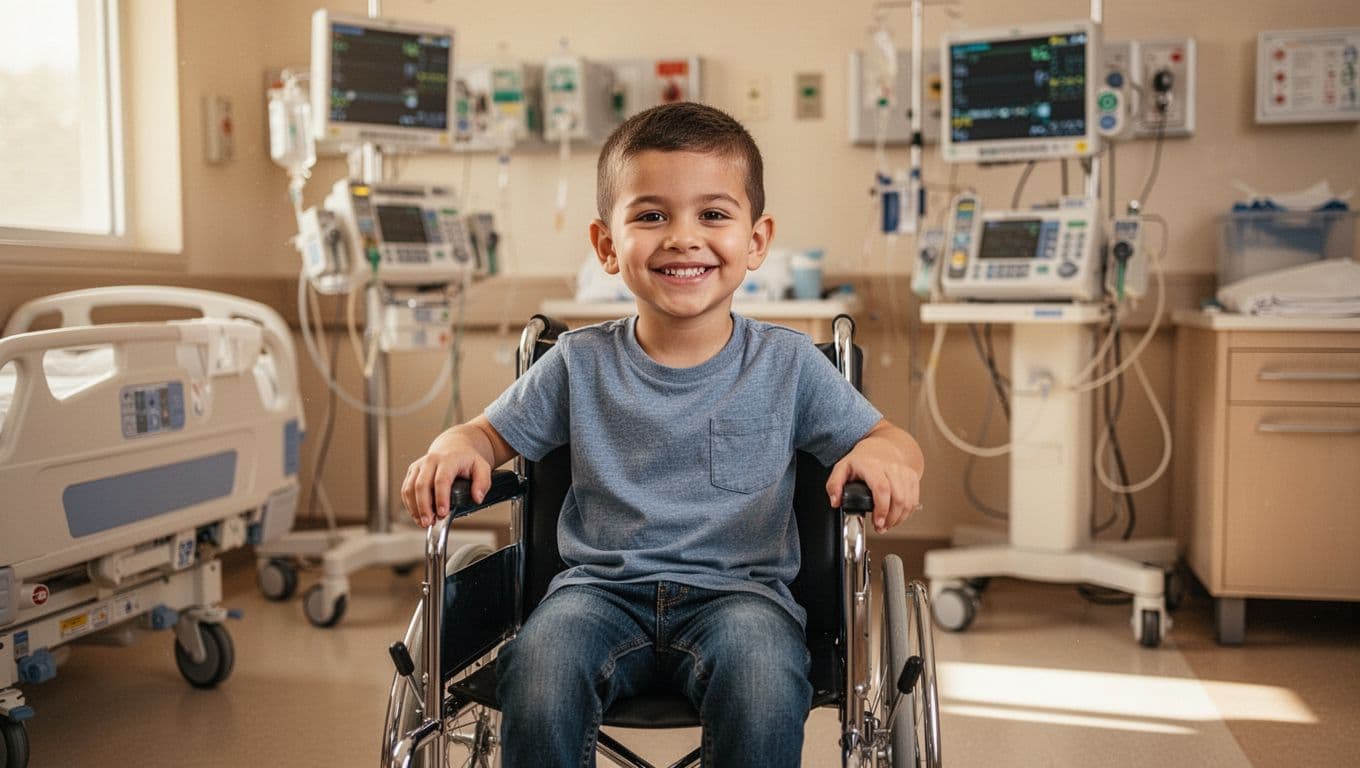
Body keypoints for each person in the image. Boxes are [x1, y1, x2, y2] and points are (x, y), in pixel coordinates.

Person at [400, 101, 924, 768]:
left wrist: (883, 455)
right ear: (607, 245)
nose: (683, 237)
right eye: (651, 215)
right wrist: (454, 447)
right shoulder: (578, 362)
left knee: (764, 684)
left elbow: (888, 437)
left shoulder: (786, 364)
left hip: (743, 599)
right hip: (594, 595)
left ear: (756, 240)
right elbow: (485, 434)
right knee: (535, 670)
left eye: (713, 214)